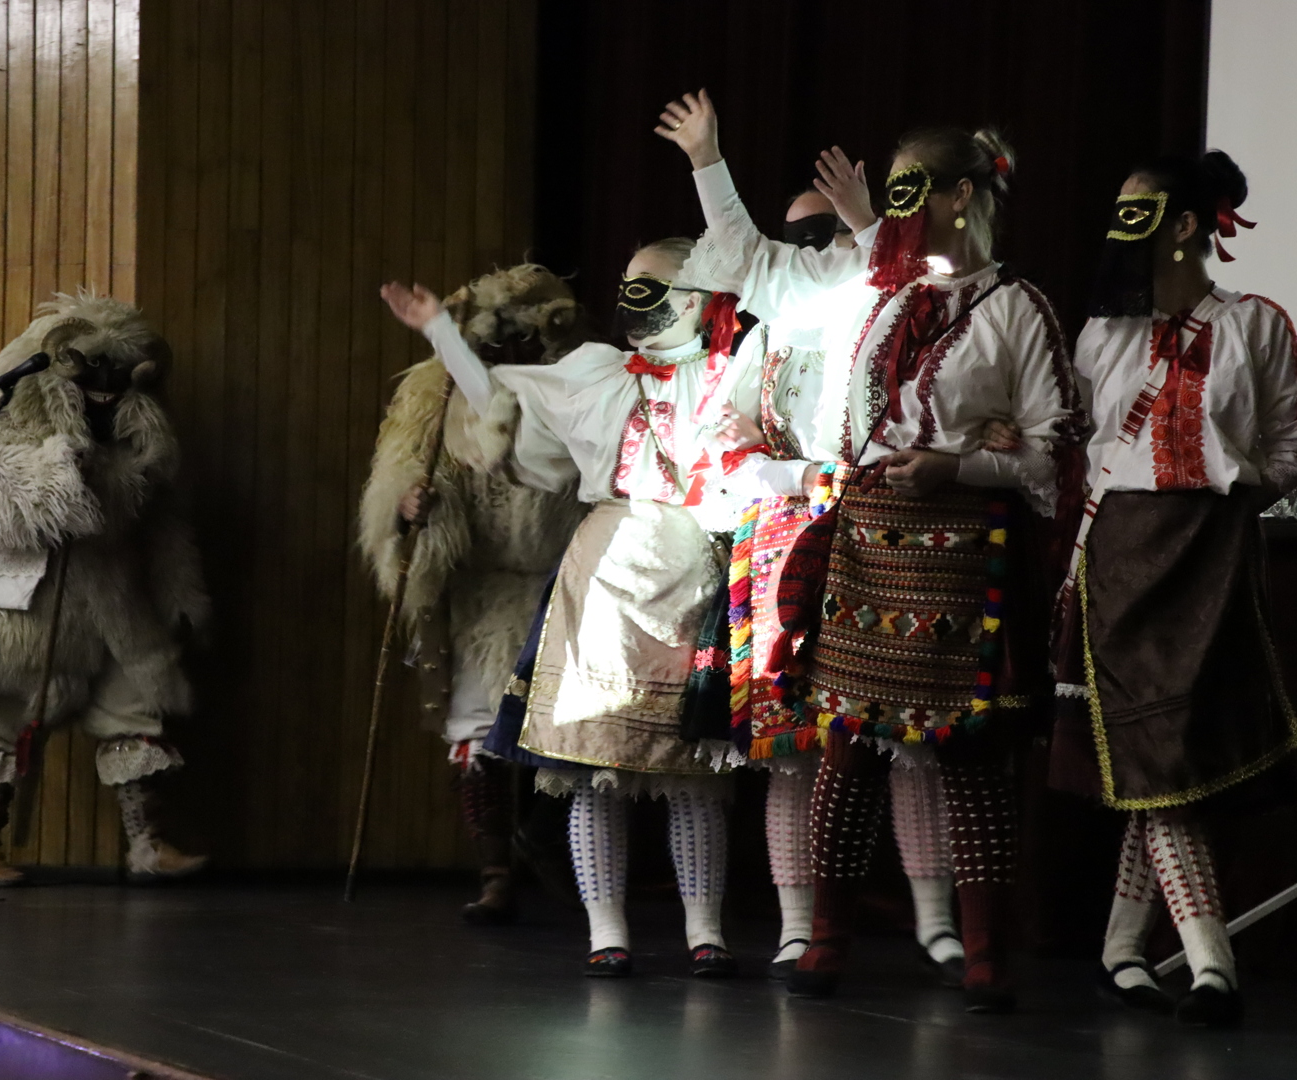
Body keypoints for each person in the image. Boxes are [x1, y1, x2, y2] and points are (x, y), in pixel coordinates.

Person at [659, 90, 1086, 1011]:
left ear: (963, 195)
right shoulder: (873, 293)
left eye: (911, 189)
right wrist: (707, 161)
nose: (894, 209)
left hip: (962, 553)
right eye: (890, 192)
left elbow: (1054, 453)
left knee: (967, 754)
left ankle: (983, 951)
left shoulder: (1018, 309)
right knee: (846, 746)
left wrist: (961, 465)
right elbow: (760, 270)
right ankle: (826, 940)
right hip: (864, 538)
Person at [381, 241, 757, 979]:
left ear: (699, 296)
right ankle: (605, 930)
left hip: (692, 566)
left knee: (692, 771)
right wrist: (441, 333)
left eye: (655, 284)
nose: (636, 297)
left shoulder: (733, 373)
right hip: (606, 567)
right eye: (630, 283)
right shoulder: (594, 371)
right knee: (592, 764)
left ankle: (706, 931)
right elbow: (505, 401)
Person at [1047, 151, 1297, 1027]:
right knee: (1160, 761)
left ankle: (1120, 951)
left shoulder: (1256, 323)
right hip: (1123, 557)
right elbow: (1080, 448)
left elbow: (1282, 452)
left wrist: (1284, 468)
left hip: (1213, 553)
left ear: (1184, 224)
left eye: (1136, 209)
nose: (1119, 224)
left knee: (1174, 765)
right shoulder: (1102, 334)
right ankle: (1214, 967)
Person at [713, 188, 968, 984]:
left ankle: (937, 923)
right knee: (791, 747)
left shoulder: (896, 311)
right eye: (799, 235)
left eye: (828, 231)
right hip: (786, 538)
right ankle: (799, 926)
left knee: (908, 734)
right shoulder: (768, 333)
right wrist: (795, 475)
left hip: (881, 526)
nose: (815, 248)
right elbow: (726, 446)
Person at [0, 291, 210, 885]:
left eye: (117, 369)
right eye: (91, 367)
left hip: (111, 594)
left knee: (134, 707)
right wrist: (55, 478)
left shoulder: (144, 425)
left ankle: (148, 845)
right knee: (0, 717)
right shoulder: (4, 400)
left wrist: (179, 590)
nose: (104, 382)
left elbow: (163, 515)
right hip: (23, 597)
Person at [359, 264, 590, 924]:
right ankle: (494, 872)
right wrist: (413, 509)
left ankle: (543, 843)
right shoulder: (436, 402)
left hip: (559, 588)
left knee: (567, 733)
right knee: (478, 734)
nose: (513, 348)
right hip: (482, 593)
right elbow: (406, 484)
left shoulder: (577, 393)